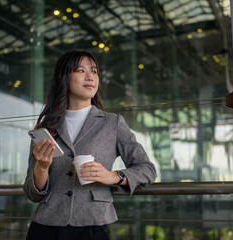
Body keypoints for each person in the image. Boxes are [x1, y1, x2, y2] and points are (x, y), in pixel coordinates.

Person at [23, 49, 157, 240]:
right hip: (46, 226)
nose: (90, 77)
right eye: (80, 70)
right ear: (64, 77)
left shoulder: (112, 123)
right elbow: (32, 193)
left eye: (94, 71)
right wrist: (42, 168)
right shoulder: (46, 128)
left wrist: (113, 176)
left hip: (92, 225)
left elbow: (147, 169)